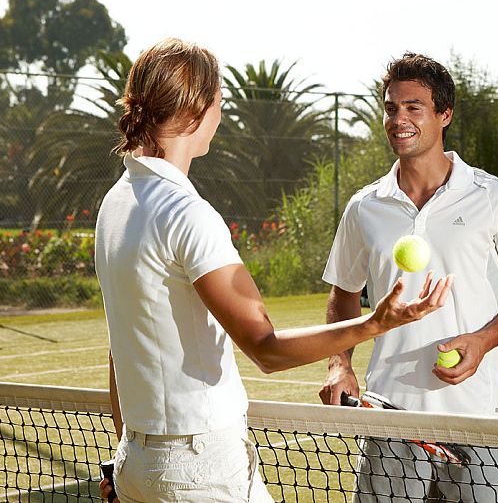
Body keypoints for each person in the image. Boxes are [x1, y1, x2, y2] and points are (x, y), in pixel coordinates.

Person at [95, 38, 453, 503]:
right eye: (219, 102)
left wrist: (128, 455)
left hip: (137, 464)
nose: (221, 116)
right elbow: (266, 349)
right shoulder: (187, 214)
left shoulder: (115, 203)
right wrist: (375, 323)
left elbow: (118, 350)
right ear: (195, 109)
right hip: (198, 468)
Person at [319, 52, 498, 502]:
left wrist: (482, 342)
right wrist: (340, 363)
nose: (399, 119)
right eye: (391, 108)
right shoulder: (364, 207)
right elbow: (343, 293)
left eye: (414, 107)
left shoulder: (495, 198)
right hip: (388, 414)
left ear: (444, 114)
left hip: (477, 416)